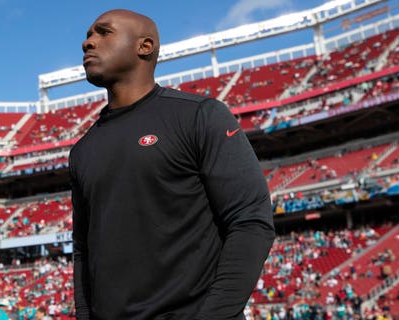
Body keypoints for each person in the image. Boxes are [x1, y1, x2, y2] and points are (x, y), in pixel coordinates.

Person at [69, 9, 275, 320]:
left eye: (103, 32)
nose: (88, 43)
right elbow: (84, 250)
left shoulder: (199, 116)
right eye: (87, 36)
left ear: (145, 46)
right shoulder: (82, 150)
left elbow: (251, 221)